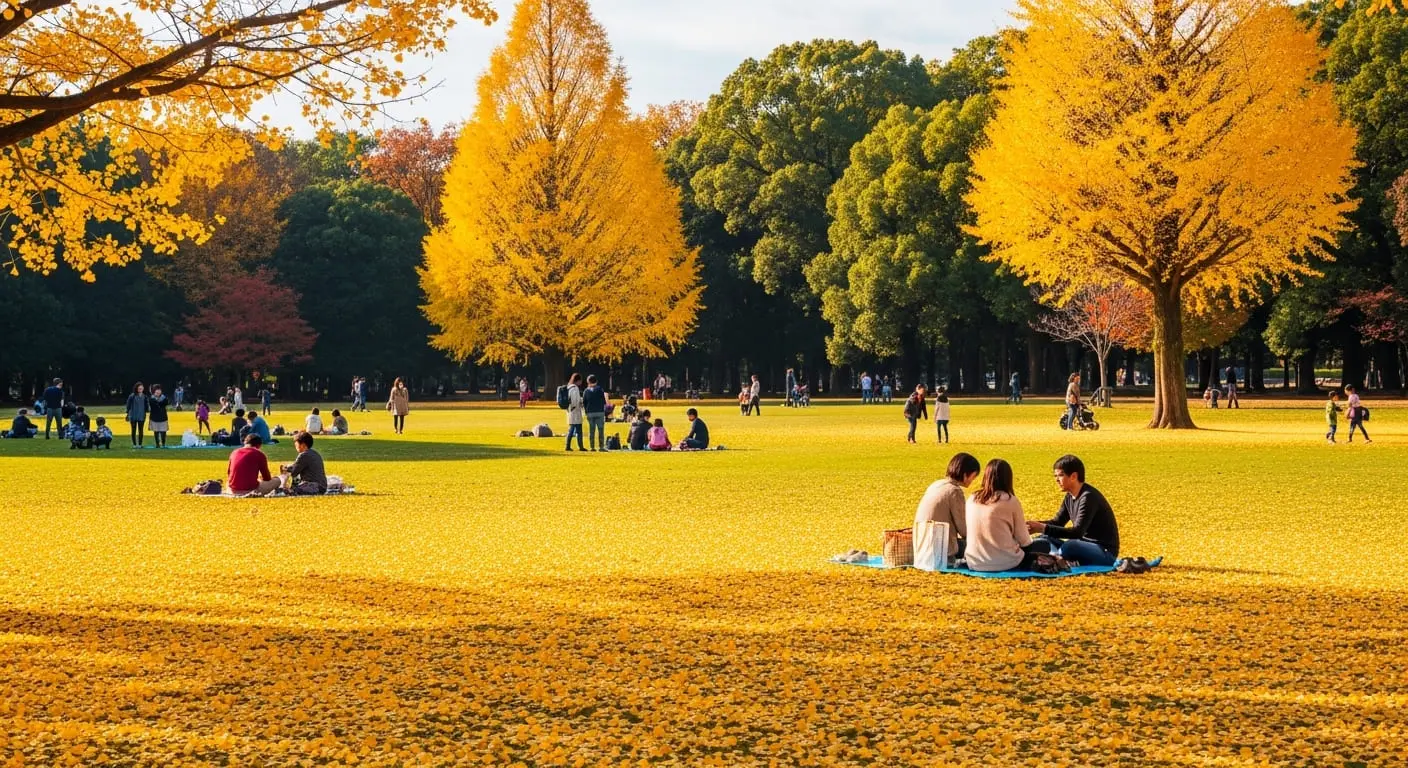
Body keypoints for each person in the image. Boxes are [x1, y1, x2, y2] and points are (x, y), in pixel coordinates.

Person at [1026, 454, 1121, 566]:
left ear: (1074, 476)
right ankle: (1057, 557)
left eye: (1060, 475)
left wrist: (1042, 528)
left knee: (1070, 546)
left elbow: (1077, 532)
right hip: (1083, 546)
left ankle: (1057, 559)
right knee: (1044, 538)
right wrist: (1033, 525)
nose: (1057, 480)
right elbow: (1057, 522)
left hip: (1104, 552)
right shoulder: (1069, 497)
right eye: (1055, 476)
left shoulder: (1088, 497)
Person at [964, 458, 1045, 572]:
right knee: (1044, 544)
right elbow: (1024, 541)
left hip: (974, 562)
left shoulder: (972, 499)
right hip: (1006, 563)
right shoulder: (1010, 500)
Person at [914, 452, 980, 563]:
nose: (972, 481)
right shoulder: (954, 491)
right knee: (982, 547)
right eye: (972, 477)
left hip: (922, 547)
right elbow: (964, 529)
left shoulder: (936, 485)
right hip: (941, 550)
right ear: (965, 475)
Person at [583, 374, 608, 452]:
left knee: (591, 430)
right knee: (601, 430)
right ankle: (601, 446)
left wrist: (586, 411)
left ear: (588, 382)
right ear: (596, 381)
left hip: (590, 412)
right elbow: (604, 401)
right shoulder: (600, 389)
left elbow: (584, 402)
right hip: (599, 412)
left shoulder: (586, 391)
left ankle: (592, 447)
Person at [564, 373, 586, 451]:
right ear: (578, 380)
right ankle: (577, 446)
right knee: (575, 430)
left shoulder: (569, 387)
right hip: (575, 411)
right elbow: (575, 400)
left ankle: (571, 445)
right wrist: (580, 404)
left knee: (573, 429)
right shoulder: (574, 388)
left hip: (570, 411)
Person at [125, 382, 149, 448]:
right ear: (136, 388)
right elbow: (128, 405)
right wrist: (127, 413)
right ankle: (134, 444)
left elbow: (147, 406)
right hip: (133, 416)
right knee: (133, 430)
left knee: (141, 430)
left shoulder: (145, 396)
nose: (140, 389)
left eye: (141, 388)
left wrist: (148, 410)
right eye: (139, 388)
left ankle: (140, 444)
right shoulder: (132, 396)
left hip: (141, 416)